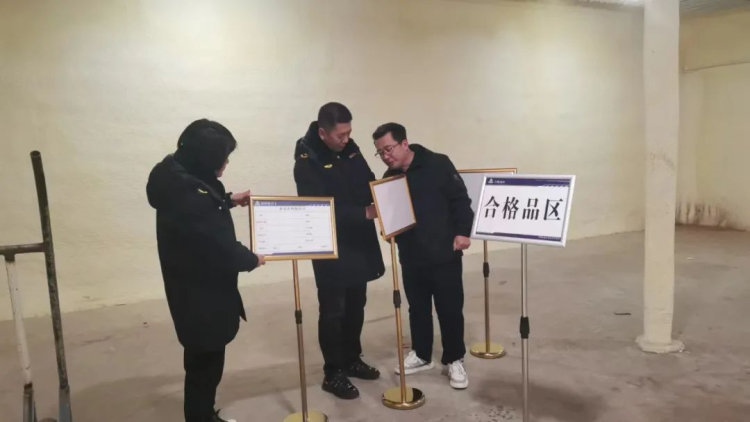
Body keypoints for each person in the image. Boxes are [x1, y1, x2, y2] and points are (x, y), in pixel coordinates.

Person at [146, 119, 265, 422]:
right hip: (203, 295)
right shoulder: (190, 196)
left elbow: (199, 215)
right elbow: (220, 247)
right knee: (206, 366)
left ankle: (202, 414)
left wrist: (226, 200)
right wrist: (253, 259)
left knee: (200, 362)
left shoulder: (174, 178)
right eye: (223, 157)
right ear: (206, 158)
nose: (226, 163)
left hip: (189, 288)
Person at [293, 102, 385, 399]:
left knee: (357, 303)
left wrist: (385, 195)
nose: (346, 139)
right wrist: (363, 213)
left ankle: (351, 358)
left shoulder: (350, 149)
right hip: (329, 245)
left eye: (349, 133)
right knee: (334, 310)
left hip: (357, 241)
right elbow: (317, 209)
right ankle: (333, 372)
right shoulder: (307, 161)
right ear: (323, 133)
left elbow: (368, 180)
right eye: (340, 135)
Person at [372, 122, 474, 389]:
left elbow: (460, 200)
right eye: (380, 152)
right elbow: (390, 213)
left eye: (389, 149)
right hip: (411, 255)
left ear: (405, 143)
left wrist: (463, 232)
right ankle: (421, 354)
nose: (385, 156)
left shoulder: (438, 164)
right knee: (417, 308)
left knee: (449, 308)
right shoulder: (389, 177)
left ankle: (454, 358)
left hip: (444, 252)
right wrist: (388, 229)